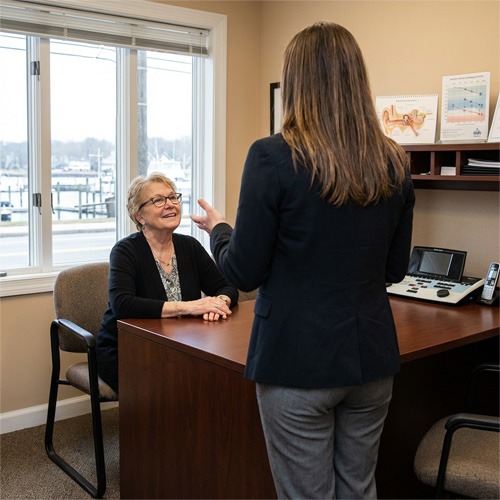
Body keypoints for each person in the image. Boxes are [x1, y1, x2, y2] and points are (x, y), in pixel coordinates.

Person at [191, 21, 415, 499]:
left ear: (295, 84)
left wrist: (220, 231)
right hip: (371, 361)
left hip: (296, 362)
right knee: (359, 489)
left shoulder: (272, 157)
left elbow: (243, 271)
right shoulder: (393, 161)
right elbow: (394, 270)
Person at [96, 173, 238, 394]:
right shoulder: (125, 251)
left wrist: (218, 302)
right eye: (158, 200)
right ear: (139, 216)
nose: (170, 205)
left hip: (181, 344)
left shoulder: (189, 246)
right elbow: (122, 304)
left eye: (173, 197)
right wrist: (193, 306)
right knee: (174, 385)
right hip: (128, 349)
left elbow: (226, 287)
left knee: (222, 373)